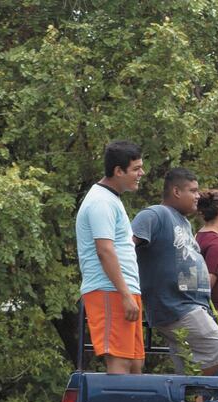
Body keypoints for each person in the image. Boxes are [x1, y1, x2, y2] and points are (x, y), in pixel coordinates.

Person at [131, 168, 218, 376]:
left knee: (186, 363)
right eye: (193, 190)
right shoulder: (154, 214)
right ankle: (187, 390)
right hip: (176, 306)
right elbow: (125, 247)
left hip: (190, 306)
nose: (198, 196)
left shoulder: (183, 222)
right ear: (177, 191)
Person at [75, 140, 145, 374]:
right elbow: (104, 250)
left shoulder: (112, 199)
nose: (141, 174)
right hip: (110, 290)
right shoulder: (101, 201)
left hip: (125, 290)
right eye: (136, 169)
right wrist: (125, 295)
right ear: (118, 171)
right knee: (120, 362)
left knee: (135, 364)